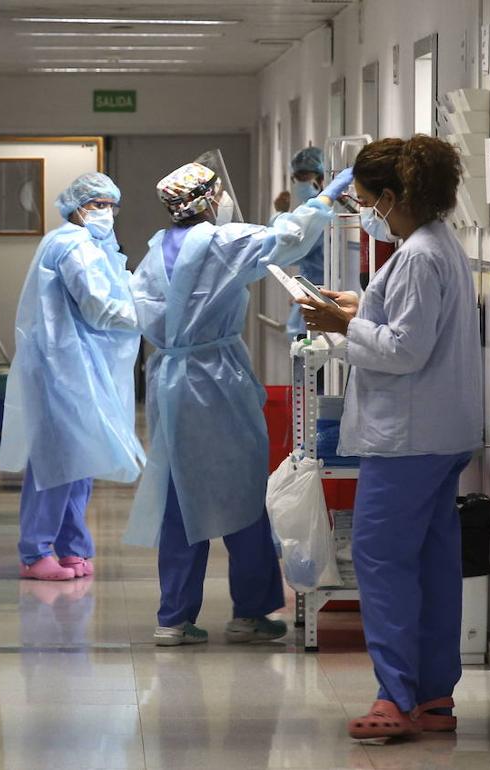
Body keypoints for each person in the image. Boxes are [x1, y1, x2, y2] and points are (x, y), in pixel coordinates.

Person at [297, 136, 484, 740]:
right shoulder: (435, 247)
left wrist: (345, 323)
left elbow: (405, 351)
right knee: (430, 566)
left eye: (364, 201)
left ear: (391, 196)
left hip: (406, 441)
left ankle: (394, 697)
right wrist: (360, 310)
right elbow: (409, 328)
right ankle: (433, 696)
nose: (364, 212)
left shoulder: (418, 257)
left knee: (382, 564)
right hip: (438, 433)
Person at [124, 160, 354, 646]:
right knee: (244, 491)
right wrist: (326, 199)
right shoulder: (222, 241)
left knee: (179, 495)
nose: (224, 197)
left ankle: (174, 617)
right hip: (216, 380)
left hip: (171, 381)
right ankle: (249, 612)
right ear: (206, 199)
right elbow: (288, 237)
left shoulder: (152, 254)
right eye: (219, 191)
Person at [0, 172, 145, 581]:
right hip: (61, 366)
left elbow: (116, 286)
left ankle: (71, 547)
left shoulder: (93, 244)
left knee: (80, 457)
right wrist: (151, 315)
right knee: (56, 461)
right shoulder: (72, 246)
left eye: (111, 205)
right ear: (78, 206)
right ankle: (35, 551)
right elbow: (98, 305)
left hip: (80, 364)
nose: (106, 212)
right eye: (98, 204)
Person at [282, 147, 328, 340]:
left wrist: (279, 216)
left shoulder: (320, 214)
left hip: (322, 301)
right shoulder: (309, 211)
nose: (300, 181)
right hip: (309, 298)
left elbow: (289, 251)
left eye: (304, 175)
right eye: (297, 177)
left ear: (320, 177)